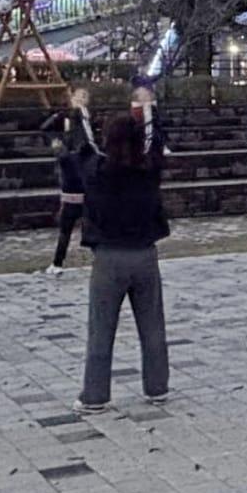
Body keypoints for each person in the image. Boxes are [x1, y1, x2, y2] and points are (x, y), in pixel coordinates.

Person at [74, 114, 171, 413]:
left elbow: (80, 148)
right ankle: (157, 387)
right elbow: (159, 142)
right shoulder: (148, 171)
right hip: (144, 253)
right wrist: (150, 106)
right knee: (153, 325)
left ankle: (95, 395)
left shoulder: (96, 171)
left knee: (101, 328)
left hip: (109, 257)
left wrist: (79, 114)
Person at [40, 87, 98, 275]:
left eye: (85, 96)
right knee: (67, 227)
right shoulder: (68, 117)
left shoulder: (88, 120)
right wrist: (57, 145)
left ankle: (101, 259)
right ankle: (57, 263)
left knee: (92, 225)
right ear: (72, 98)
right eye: (79, 96)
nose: (82, 99)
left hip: (86, 176)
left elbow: (91, 142)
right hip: (72, 171)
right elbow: (46, 129)